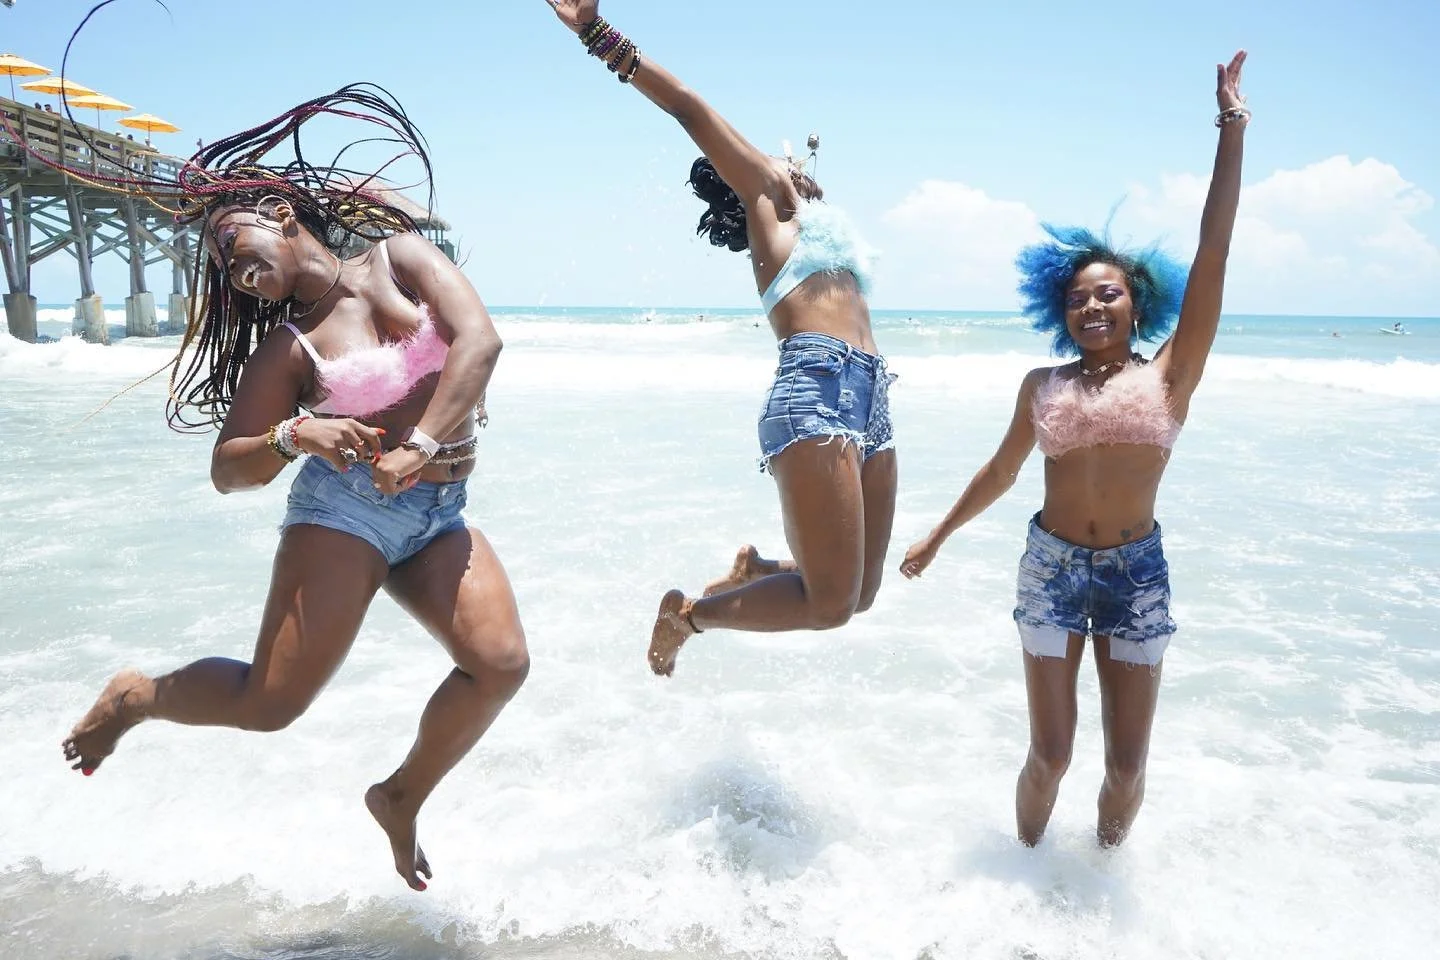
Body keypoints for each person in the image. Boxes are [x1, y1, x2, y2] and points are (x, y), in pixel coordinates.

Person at [59, 87, 529, 891]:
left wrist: (417, 449)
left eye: (233, 242)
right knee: (270, 705)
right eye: (221, 268)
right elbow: (227, 467)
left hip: (438, 508)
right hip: (344, 513)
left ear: (280, 211)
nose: (233, 271)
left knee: (501, 664)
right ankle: (136, 697)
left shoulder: (402, 258)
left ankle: (398, 797)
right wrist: (292, 435)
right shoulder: (289, 348)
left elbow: (480, 341)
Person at [900, 53, 1251, 847]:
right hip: (1051, 568)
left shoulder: (1171, 375)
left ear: (1136, 303)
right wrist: (937, 535)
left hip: (1137, 574)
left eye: (1109, 292)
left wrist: (1231, 129)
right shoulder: (1040, 383)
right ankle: (1022, 881)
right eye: (1078, 296)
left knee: (1126, 768)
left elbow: (1216, 251)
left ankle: (1097, 891)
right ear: (1061, 311)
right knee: (1049, 756)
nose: (1093, 303)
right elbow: (1001, 470)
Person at [542, 1, 898, 677]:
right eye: (776, 156)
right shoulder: (768, 199)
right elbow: (690, 109)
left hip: (870, 393)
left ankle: (757, 570)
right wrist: (597, 35)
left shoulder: (814, 220)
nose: (788, 157)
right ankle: (689, 618)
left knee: (860, 596)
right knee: (826, 606)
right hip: (817, 390)